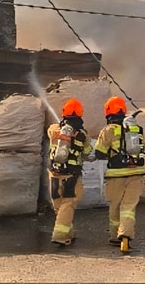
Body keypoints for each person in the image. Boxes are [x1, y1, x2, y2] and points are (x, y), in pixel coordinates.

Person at [94, 96, 145, 253]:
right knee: (129, 207)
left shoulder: (108, 130)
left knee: (115, 205)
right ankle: (126, 235)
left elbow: (99, 153)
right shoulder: (136, 129)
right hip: (136, 173)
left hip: (116, 175)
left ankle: (116, 236)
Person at [47, 98, 92, 247]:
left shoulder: (54, 129)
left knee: (58, 204)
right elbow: (87, 153)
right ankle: (60, 235)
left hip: (54, 173)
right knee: (69, 203)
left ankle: (68, 233)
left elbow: (50, 134)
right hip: (71, 174)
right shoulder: (83, 134)